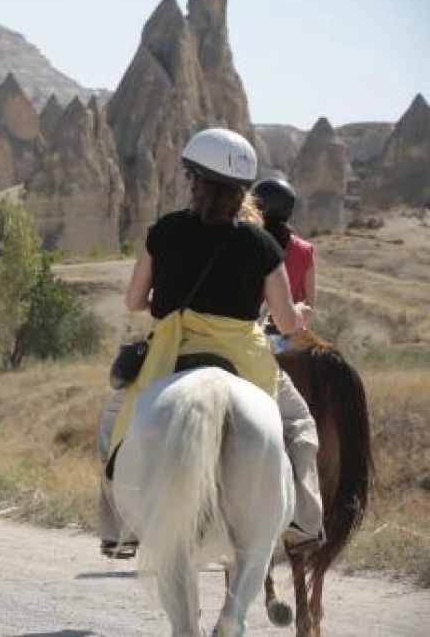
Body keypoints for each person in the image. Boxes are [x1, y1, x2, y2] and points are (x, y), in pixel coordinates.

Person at [97, 127, 324, 558]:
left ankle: (118, 527)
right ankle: (304, 521)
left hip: (172, 348)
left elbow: (133, 300)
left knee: (114, 421)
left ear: (195, 180)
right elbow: (282, 320)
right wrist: (299, 314)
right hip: (242, 354)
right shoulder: (259, 242)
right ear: (241, 191)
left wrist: (167, 306)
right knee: (298, 425)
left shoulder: (164, 231)